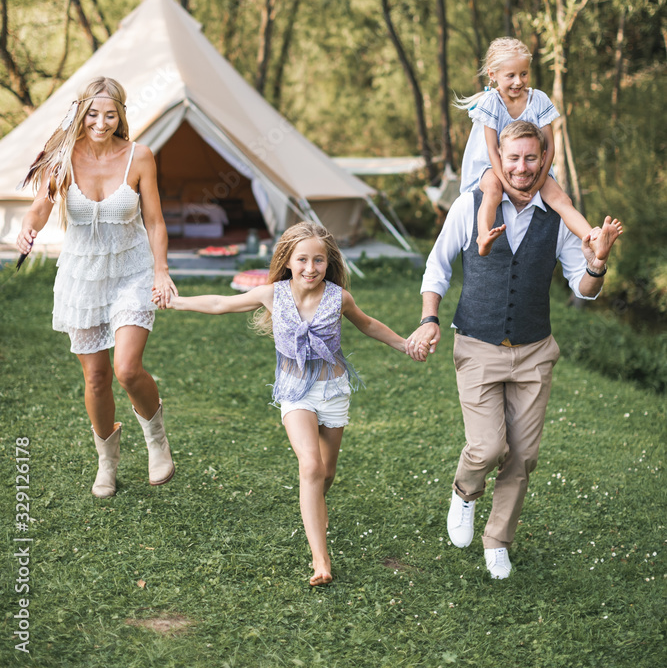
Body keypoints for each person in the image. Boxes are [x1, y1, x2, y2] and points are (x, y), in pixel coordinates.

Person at [406, 120, 622, 580]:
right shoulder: (471, 205)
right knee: (487, 448)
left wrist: (598, 264)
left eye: (531, 158)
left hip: (534, 351)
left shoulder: (559, 217)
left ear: (544, 160)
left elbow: (582, 289)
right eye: (514, 158)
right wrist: (429, 318)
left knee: (523, 455)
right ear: (499, 160)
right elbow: (437, 266)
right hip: (478, 344)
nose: (522, 167)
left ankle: (498, 539)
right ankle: (465, 492)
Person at [155, 221, 410, 586]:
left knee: (327, 474)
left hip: (333, 390)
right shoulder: (273, 294)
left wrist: (405, 345)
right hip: (294, 392)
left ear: (328, 262)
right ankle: (321, 560)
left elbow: (368, 325)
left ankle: (315, 505)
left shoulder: (339, 298)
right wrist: (176, 301)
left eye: (318, 260)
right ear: (288, 261)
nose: (310, 268)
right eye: (302, 259)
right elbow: (220, 303)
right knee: (311, 466)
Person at [17, 77, 178, 498]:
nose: (101, 123)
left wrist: (161, 271)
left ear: (121, 115)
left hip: (132, 270)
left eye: (110, 115)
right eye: (93, 114)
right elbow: (40, 207)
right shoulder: (63, 158)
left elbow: (155, 221)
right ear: (81, 113)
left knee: (126, 368)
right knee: (96, 378)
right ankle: (107, 463)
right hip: (82, 276)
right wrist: (28, 228)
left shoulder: (139, 157)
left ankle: (157, 441)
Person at [456, 37, 619, 256]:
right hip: (491, 165)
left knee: (561, 199)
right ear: (493, 75)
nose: (518, 81)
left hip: (532, 166)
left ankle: (594, 239)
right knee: (493, 190)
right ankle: (483, 236)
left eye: (523, 74)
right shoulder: (491, 103)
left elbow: (549, 146)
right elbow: (492, 149)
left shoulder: (538, 99)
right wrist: (508, 187)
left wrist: (539, 182)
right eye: (510, 76)